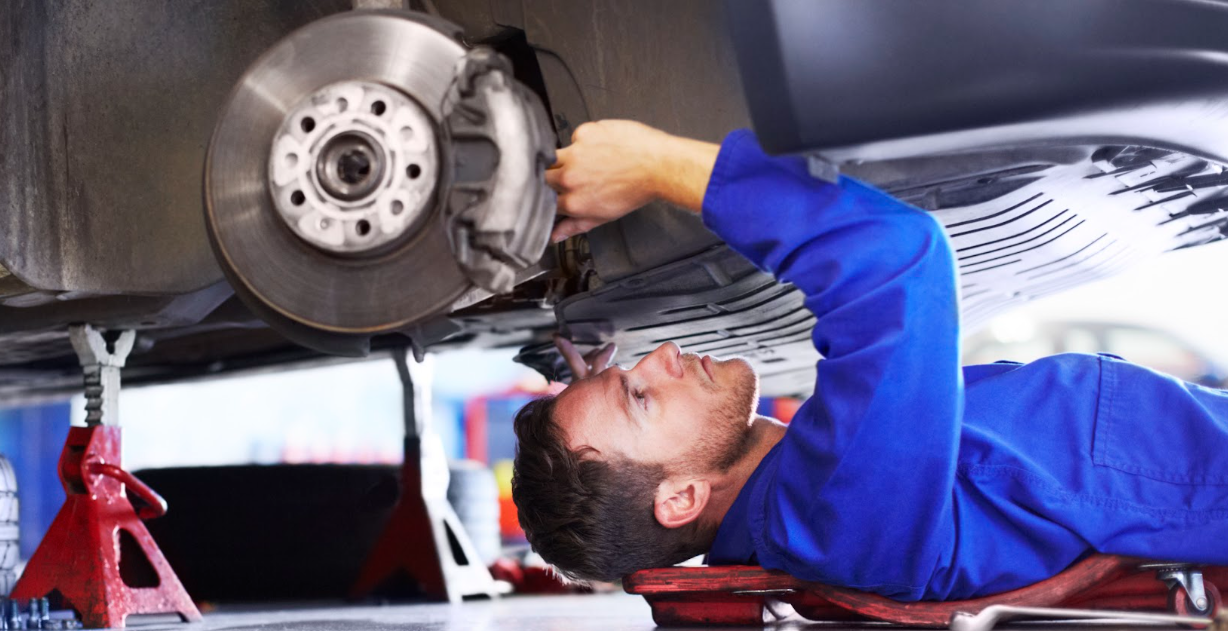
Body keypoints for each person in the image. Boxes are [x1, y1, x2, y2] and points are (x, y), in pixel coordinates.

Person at [512, 120, 1228, 601]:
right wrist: (655, 164)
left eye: (632, 370)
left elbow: (635, 464)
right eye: (641, 395)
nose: (662, 354)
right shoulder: (832, 513)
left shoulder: (806, 506)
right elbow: (897, 261)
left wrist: (604, 397)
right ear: (680, 501)